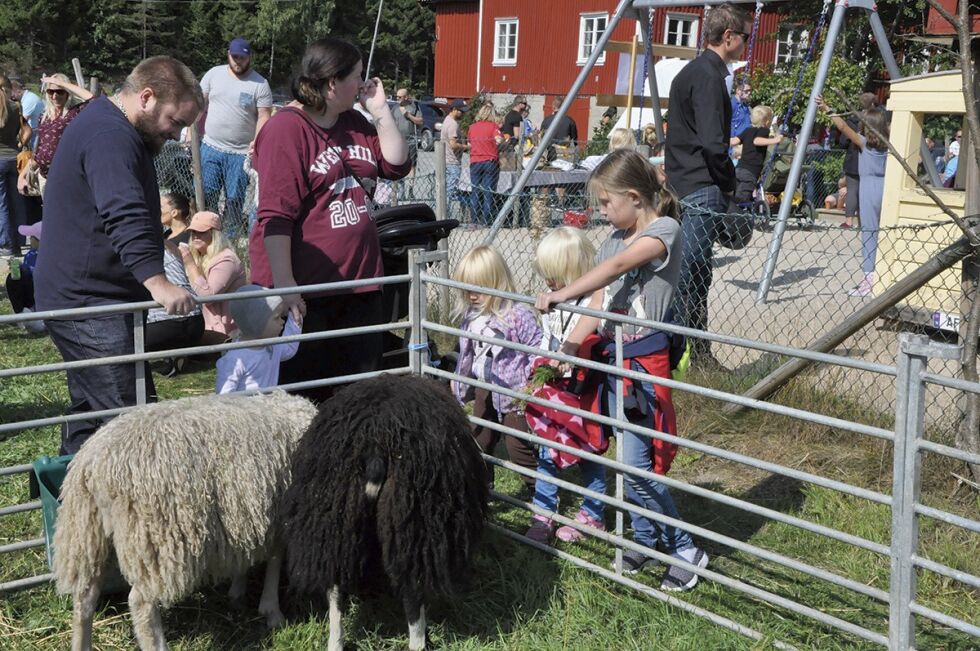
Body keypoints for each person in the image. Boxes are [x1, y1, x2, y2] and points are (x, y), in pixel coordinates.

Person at [535, 149, 707, 591]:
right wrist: (569, 348)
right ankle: (644, 540)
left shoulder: (664, 231)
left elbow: (616, 268)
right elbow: (601, 302)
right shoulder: (615, 236)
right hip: (611, 361)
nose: (602, 212)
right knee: (622, 457)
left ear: (633, 196)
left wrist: (560, 294)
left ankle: (687, 549)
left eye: (607, 203)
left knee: (636, 467)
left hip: (642, 366)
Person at [34, 55, 203, 455]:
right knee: (133, 423)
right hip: (91, 303)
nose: (177, 135)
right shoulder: (109, 136)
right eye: (175, 122)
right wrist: (157, 281)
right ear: (146, 97)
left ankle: (65, 500)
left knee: (93, 411)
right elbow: (121, 209)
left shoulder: (108, 126)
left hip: (93, 297)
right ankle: (124, 511)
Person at [249, 36, 410, 404]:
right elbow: (275, 216)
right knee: (307, 396)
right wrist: (286, 286)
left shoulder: (354, 122)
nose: (363, 83)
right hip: (310, 290)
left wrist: (381, 112)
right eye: (356, 76)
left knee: (359, 395)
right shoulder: (286, 129)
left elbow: (396, 165)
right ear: (332, 82)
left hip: (361, 283)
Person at [666, 2, 753, 364]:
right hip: (701, 184)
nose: (747, 44)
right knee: (694, 274)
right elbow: (713, 144)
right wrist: (730, 185)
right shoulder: (708, 77)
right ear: (729, 36)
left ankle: (688, 351)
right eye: (745, 37)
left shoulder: (690, 72)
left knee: (688, 271)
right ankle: (693, 354)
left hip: (682, 181)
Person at [525, 227, 607, 544]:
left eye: (554, 276)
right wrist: (542, 362)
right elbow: (549, 339)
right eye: (545, 275)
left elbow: (592, 341)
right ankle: (543, 514)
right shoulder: (553, 303)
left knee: (590, 452)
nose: (548, 282)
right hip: (556, 391)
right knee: (546, 450)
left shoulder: (593, 301)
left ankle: (593, 514)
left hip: (585, 391)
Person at [450, 245, 542, 490]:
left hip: (514, 392)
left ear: (496, 282)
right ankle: (482, 489)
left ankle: (541, 493)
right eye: (467, 289)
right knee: (479, 437)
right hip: (485, 386)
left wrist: (532, 383)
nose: (471, 296)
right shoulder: (471, 315)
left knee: (518, 445)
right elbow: (467, 353)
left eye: (477, 289)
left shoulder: (517, 314)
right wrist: (459, 382)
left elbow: (537, 345)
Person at [199, 37, 273, 234]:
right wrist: (190, 128)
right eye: (235, 56)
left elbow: (264, 116)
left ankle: (230, 240)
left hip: (239, 153)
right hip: (210, 147)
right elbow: (200, 104)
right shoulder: (214, 74)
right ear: (228, 54)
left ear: (250, 58)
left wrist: (257, 142)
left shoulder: (260, 84)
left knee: (234, 199)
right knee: (208, 193)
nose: (238, 61)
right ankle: (207, 232)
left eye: (242, 57)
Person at [818, 95, 888, 298]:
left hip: (869, 187)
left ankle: (868, 279)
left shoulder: (865, 143)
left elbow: (842, 127)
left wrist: (827, 108)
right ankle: (882, 275)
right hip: (886, 186)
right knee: (885, 232)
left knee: (869, 233)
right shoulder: (888, 144)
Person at [145, 194, 204, 372]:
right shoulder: (169, 243)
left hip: (168, 323)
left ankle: (166, 357)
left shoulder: (151, 249)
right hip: (196, 321)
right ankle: (174, 354)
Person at [17, 74, 94, 198]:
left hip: (66, 177)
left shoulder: (75, 112)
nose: (54, 96)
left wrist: (62, 84)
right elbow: (41, 152)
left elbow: (93, 99)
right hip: (44, 177)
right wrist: (22, 175)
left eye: (60, 92)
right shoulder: (44, 116)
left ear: (67, 93)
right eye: (50, 91)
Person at [216, 284, 301, 393]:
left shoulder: (272, 346)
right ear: (257, 322)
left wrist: (295, 320)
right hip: (247, 409)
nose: (282, 321)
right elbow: (224, 395)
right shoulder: (235, 359)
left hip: (268, 407)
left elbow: (289, 348)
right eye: (277, 317)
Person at [178, 211, 246, 344]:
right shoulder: (200, 257)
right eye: (193, 232)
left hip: (224, 331)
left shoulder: (227, 259)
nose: (195, 236)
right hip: (201, 324)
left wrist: (190, 264)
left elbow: (207, 297)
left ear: (215, 234)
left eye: (201, 232)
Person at [839, 92, 879, 229]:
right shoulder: (877, 120)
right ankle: (865, 221)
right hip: (871, 160)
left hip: (854, 159)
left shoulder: (852, 120)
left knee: (852, 190)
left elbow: (843, 142)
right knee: (867, 191)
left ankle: (849, 221)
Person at [732, 105, 783, 204]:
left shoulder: (747, 130)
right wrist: (775, 140)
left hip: (738, 169)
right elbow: (757, 141)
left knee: (736, 193)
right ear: (767, 122)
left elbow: (734, 141)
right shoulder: (764, 130)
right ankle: (736, 213)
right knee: (742, 199)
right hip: (750, 172)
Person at [0, 76, 27, 256]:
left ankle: (6, 244)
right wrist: (21, 143)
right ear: (9, 88)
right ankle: (19, 241)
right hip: (13, 158)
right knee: (17, 202)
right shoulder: (17, 107)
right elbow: (26, 131)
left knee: (1, 204)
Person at [5, 222, 44, 333]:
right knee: (13, 278)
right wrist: (17, 268)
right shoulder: (30, 254)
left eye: (32, 237)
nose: (29, 239)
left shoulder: (51, 256)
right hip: (31, 293)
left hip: (43, 295)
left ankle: (32, 318)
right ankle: (22, 313)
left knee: (23, 273)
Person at [467, 103, 503, 226]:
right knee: (488, 192)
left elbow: (470, 143)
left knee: (475, 192)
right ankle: (486, 221)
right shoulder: (494, 126)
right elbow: (499, 140)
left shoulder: (472, 127)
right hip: (490, 161)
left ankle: (474, 221)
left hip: (475, 161)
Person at [441, 99, 470, 221]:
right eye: (460, 111)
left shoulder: (446, 120)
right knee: (450, 191)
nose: (462, 114)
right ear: (454, 110)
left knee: (445, 190)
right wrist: (467, 147)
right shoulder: (453, 124)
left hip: (446, 160)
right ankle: (444, 216)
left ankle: (442, 214)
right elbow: (453, 144)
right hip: (452, 162)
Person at [392, 88, 423, 177]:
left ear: (406, 97)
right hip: (397, 142)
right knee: (397, 164)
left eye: (399, 97)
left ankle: (410, 189)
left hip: (411, 141)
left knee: (411, 165)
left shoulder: (414, 107)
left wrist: (408, 115)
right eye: (396, 97)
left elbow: (420, 121)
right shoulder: (395, 108)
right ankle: (397, 189)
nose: (397, 99)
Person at [8, 76, 43, 150]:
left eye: (12, 92)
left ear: (18, 90)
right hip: (32, 132)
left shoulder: (29, 100)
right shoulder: (27, 98)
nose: (11, 96)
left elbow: (20, 122)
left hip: (35, 135)